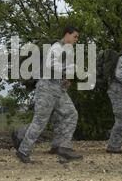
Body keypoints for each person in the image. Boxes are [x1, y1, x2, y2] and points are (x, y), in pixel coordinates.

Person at [12, 26, 82, 163]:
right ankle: (23, 151)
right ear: (67, 34)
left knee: (71, 114)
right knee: (40, 121)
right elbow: (51, 65)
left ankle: (63, 147)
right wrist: (68, 68)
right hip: (46, 89)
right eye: (75, 36)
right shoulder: (57, 47)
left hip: (58, 88)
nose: (76, 40)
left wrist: (65, 79)